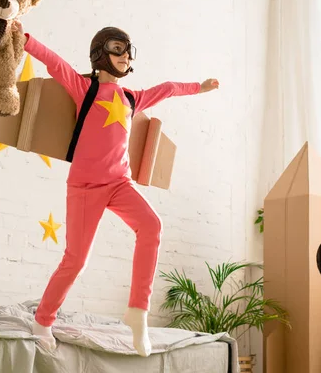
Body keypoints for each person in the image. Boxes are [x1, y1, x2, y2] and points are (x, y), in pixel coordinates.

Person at [12, 22, 219, 356]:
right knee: (76, 259)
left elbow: (167, 88)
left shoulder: (130, 98)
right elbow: (54, 62)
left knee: (151, 226)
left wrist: (200, 87)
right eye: (117, 48)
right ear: (100, 54)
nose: (125, 56)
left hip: (119, 184)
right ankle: (43, 320)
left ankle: (137, 311)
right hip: (85, 187)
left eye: (128, 50)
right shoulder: (86, 89)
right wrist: (23, 39)